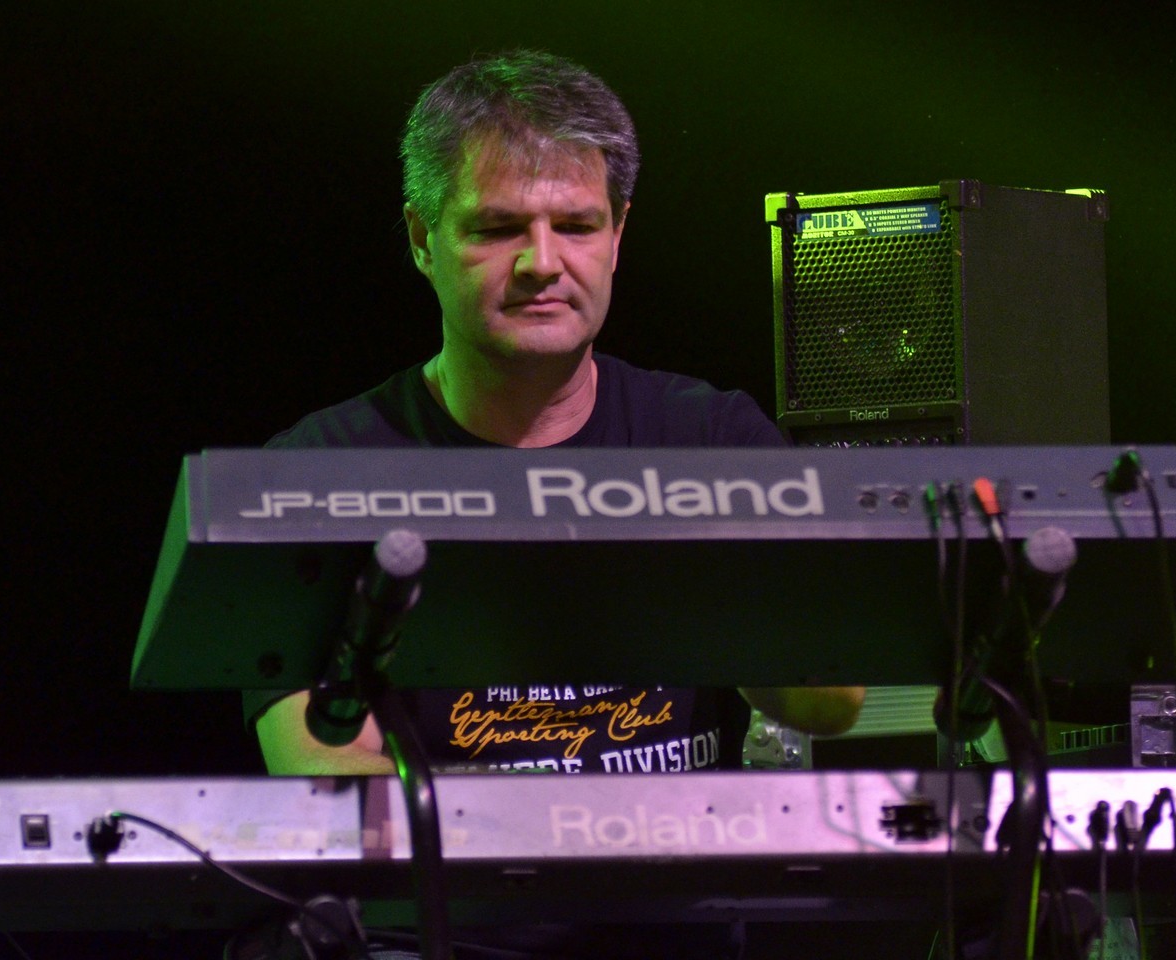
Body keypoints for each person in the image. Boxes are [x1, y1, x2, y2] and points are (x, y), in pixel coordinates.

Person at [250, 49, 863, 780]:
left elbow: (832, 702)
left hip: (680, 856)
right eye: (497, 228)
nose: (542, 262)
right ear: (421, 239)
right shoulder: (318, 471)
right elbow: (322, 770)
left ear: (617, 236)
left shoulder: (711, 437)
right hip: (447, 859)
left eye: (575, 225)